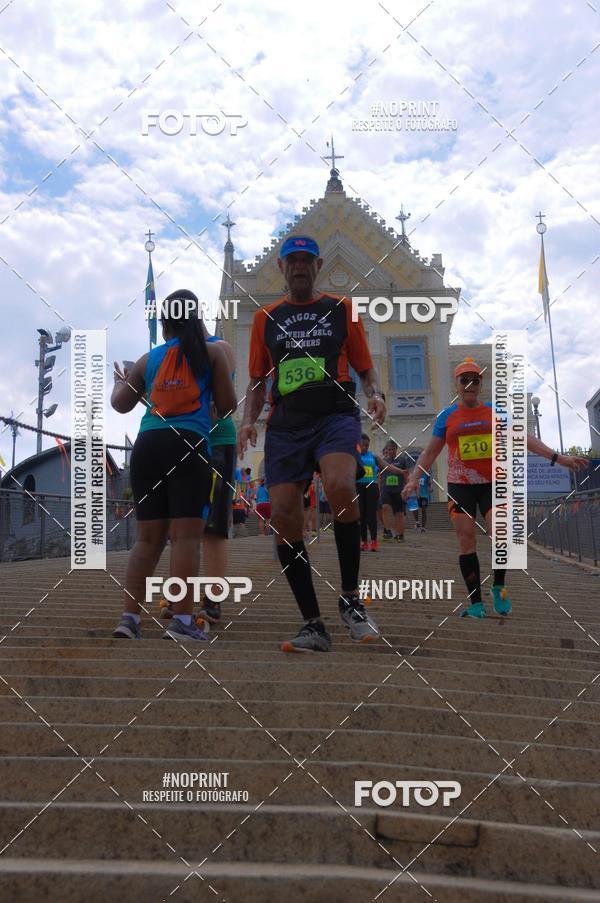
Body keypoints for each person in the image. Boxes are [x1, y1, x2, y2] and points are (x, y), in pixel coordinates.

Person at [237, 234, 386, 652]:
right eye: (292, 261)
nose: (299, 266)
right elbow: (256, 380)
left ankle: (352, 600)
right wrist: (249, 422)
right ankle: (312, 624)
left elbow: (365, 367)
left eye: (306, 260)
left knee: (341, 485)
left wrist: (376, 394)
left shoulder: (341, 310)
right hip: (285, 424)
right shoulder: (265, 319)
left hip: (335, 415)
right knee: (284, 514)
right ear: (281, 269)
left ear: (318, 266)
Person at [402, 357, 588, 618]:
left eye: (475, 380)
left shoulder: (495, 412)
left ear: (481, 384)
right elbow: (430, 452)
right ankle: (475, 602)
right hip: (460, 485)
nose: (470, 384)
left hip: (494, 484)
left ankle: (498, 586)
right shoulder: (447, 416)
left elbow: (525, 439)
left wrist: (559, 458)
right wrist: (413, 479)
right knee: (466, 540)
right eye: (464, 379)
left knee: (502, 535)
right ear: (456, 384)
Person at [110, 289, 236, 641]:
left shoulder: (147, 359)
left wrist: (123, 381)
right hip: (189, 444)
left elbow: (120, 404)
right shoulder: (213, 353)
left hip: (148, 445)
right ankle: (181, 622)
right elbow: (227, 406)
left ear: (164, 323)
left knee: (147, 539)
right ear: (197, 319)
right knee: (185, 538)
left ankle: (129, 619)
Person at [356, 434, 405, 550]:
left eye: (367, 445)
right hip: (358, 486)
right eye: (363, 445)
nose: (365, 448)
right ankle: (363, 542)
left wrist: (402, 472)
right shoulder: (354, 456)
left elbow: (387, 467)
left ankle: (373, 541)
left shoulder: (373, 457)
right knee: (361, 515)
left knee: (371, 514)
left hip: (371, 486)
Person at [379, 439, 411, 542]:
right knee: (385, 508)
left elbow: (406, 475)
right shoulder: (383, 461)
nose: (391, 451)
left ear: (396, 449)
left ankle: (400, 534)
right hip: (386, 489)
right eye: (389, 449)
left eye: (393, 449)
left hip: (398, 490)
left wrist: (407, 489)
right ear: (386, 450)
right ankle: (388, 531)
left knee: (399, 513)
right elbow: (380, 477)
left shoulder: (402, 460)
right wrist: (379, 489)